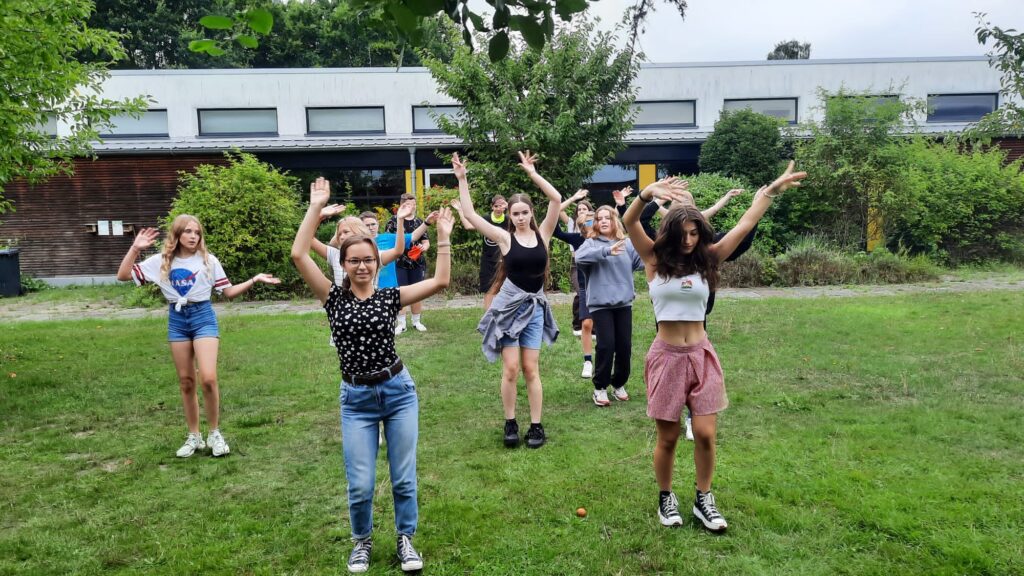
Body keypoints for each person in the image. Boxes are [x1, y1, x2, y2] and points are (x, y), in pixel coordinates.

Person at [623, 162, 806, 533]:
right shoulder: (654, 260)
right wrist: (646, 193)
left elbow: (744, 224)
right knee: (668, 437)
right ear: (670, 231)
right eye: (683, 233)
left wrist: (770, 192)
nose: (689, 240)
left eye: (695, 232)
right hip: (666, 357)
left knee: (706, 434)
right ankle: (666, 496)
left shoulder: (710, 258)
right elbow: (630, 222)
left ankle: (703, 498)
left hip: (701, 355)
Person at [291, 177, 455, 574]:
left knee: (403, 478)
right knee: (361, 482)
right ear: (343, 264)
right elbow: (298, 253)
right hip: (356, 400)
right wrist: (315, 207)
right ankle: (361, 542)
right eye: (354, 261)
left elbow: (440, 282)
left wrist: (444, 238)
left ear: (377, 262)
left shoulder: (390, 297)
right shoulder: (332, 297)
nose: (362, 266)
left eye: (368, 260)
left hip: (398, 392)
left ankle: (405, 539)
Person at [116, 215, 280, 458]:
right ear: (177, 234)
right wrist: (135, 249)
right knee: (186, 381)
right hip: (177, 319)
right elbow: (123, 275)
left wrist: (254, 279)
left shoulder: (208, 260)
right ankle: (194, 436)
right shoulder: (162, 261)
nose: (193, 236)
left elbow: (228, 292)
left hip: (203, 316)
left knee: (208, 378)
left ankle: (214, 433)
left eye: (197, 232)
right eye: (188, 231)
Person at [454, 151, 560, 449]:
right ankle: (510, 421)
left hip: (534, 309)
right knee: (511, 368)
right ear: (510, 217)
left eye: (525, 212)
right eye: (516, 214)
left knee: (531, 369)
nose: (521, 217)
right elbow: (471, 215)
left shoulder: (544, 234)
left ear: (531, 213)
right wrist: (462, 180)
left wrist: (533, 174)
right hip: (509, 310)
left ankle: (536, 426)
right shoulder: (505, 238)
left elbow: (555, 199)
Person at [574, 205, 645, 406]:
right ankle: (600, 388)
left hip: (624, 303)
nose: (603, 221)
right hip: (601, 304)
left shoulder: (627, 244)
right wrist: (606, 251)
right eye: (600, 218)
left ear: (615, 221)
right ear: (596, 223)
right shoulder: (590, 243)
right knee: (606, 345)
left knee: (624, 346)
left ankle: (618, 383)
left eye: (608, 217)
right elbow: (579, 258)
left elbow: (644, 261)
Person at [552, 208, 596, 378]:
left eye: (591, 220)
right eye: (584, 222)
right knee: (587, 324)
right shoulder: (577, 238)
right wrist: (555, 205)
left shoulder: (604, 239)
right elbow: (557, 232)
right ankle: (588, 361)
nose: (588, 224)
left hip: (602, 287)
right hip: (585, 287)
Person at [451, 194, 511, 310]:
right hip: (488, 261)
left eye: (502, 206)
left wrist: (510, 206)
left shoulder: (509, 220)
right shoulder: (486, 219)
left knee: (506, 290)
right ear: (492, 207)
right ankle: (488, 317)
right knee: (489, 289)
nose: (499, 208)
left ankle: (505, 315)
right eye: (496, 206)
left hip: (505, 260)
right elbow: (468, 225)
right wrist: (460, 210)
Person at [386, 193, 430, 334]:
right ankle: (401, 324)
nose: (412, 207)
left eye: (414, 204)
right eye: (409, 204)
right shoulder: (393, 221)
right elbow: (389, 241)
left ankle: (416, 321)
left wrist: (424, 247)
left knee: (417, 292)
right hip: (398, 263)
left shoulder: (419, 221)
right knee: (400, 293)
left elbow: (426, 241)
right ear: (402, 205)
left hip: (417, 262)